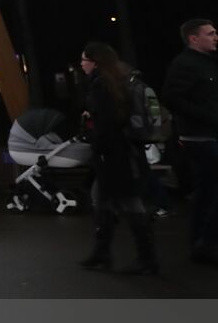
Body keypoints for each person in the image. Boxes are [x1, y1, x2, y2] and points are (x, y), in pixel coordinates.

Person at [78, 42, 158, 274]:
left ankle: (146, 258)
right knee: (104, 199)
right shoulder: (120, 79)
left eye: (84, 60)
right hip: (127, 151)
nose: (81, 64)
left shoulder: (101, 85)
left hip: (114, 155)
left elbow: (107, 122)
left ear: (95, 62)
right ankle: (103, 252)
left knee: (127, 202)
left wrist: (95, 140)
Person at [162, 18, 218, 264]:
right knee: (210, 190)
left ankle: (200, 243)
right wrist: (207, 117)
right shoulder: (184, 64)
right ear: (194, 38)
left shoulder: (206, 64)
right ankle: (206, 241)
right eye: (210, 33)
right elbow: (172, 97)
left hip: (207, 135)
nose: (216, 36)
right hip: (200, 137)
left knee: (206, 191)